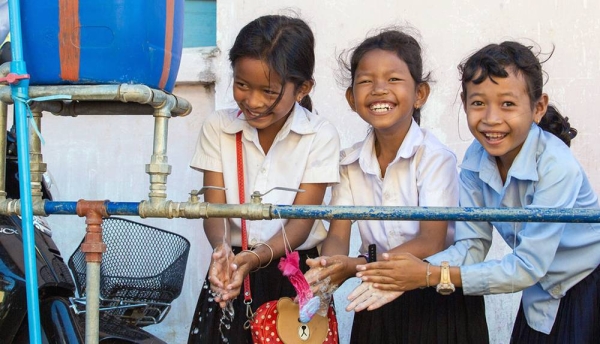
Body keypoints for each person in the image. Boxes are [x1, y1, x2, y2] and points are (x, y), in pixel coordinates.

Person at [356, 41, 600, 343]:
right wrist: (409, 273)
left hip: (586, 287)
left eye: (507, 104)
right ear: (464, 102)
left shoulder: (556, 165)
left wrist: (430, 275)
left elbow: (526, 267)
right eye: (478, 103)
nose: (491, 119)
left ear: (538, 108)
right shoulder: (476, 158)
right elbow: (472, 246)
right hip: (539, 291)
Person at [305, 28, 489, 344]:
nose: (378, 89)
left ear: (420, 94)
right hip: (375, 299)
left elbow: (431, 241)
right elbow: (338, 232)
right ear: (351, 98)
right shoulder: (348, 164)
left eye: (393, 79)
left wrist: (357, 266)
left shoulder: (435, 158)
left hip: (435, 295)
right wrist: (329, 265)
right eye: (365, 81)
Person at [187, 14, 341, 344]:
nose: (253, 102)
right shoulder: (219, 127)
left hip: (292, 275)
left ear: (302, 89)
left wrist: (253, 259)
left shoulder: (319, 135)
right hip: (231, 269)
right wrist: (221, 253)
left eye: (268, 91)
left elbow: (301, 223)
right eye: (242, 85)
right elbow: (213, 209)